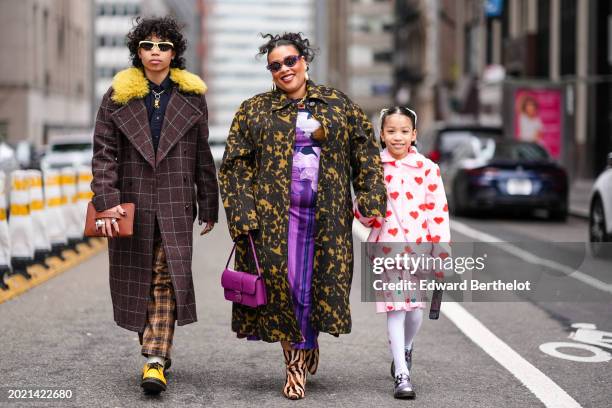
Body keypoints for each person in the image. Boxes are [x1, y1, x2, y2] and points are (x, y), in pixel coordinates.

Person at [218, 32, 386, 400]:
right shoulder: (254, 109)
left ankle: (307, 341)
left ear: (305, 61)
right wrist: (243, 213)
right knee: (286, 286)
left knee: (316, 287)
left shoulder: (339, 105)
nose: (284, 69)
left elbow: (366, 154)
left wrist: (372, 201)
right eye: (275, 65)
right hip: (276, 219)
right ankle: (294, 364)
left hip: (327, 218)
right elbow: (234, 166)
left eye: (290, 61)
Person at [90, 16, 218, 394]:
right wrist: (107, 201)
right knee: (140, 279)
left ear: (174, 52)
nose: (155, 53)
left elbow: (201, 154)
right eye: (147, 46)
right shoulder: (117, 95)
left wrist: (208, 204)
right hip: (132, 204)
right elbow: (104, 153)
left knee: (166, 278)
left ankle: (155, 359)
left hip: (176, 202)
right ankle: (156, 347)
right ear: (138, 52)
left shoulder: (192, 97)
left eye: (163, 46)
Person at [354, 107, 451, 399]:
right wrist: (366, 214)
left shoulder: (427, 168)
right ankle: (402, 373)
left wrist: (441, 250)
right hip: (386, 247)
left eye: (404, 131)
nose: (398, 137)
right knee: (396, 308)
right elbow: (361, 209)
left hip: (421, 247)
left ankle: (406, 348)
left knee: (414, 310)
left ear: (414, 134)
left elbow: (438, 212)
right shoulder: (373, 167)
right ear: (381, 134)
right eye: (391, 131)